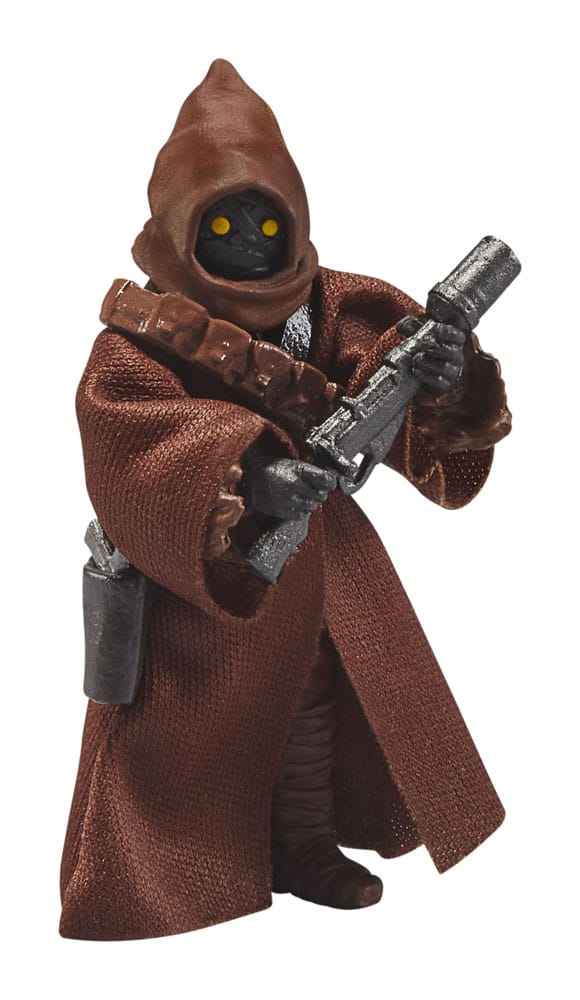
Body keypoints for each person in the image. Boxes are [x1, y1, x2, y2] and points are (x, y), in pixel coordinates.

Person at [60, 59, 511, 941]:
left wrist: (445, 377)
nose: (246, 240)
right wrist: (252, 474)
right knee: (187, 723)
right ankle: (192, 872)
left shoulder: (333, 303)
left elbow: (394, 388)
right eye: (220, 222)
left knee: (318, 697)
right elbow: (128, 429)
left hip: (323, 556)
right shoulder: (140, 339)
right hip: (204, 570)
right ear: (180, 223)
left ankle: (304, 846)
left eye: (266, 221)